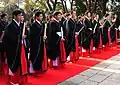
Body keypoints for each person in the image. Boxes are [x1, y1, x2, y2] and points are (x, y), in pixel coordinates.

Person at [3, 9, 28, 85]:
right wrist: (21, 37)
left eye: (21, 15)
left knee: (19, 64)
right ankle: (13, 81)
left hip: (19, 48)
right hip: (12, 49)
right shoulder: (10, 25)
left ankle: (18, 80)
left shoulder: (19, 24)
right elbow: (10, 38)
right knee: (14, 65)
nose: (21, 17)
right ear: (15, 16)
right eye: (19, 15)